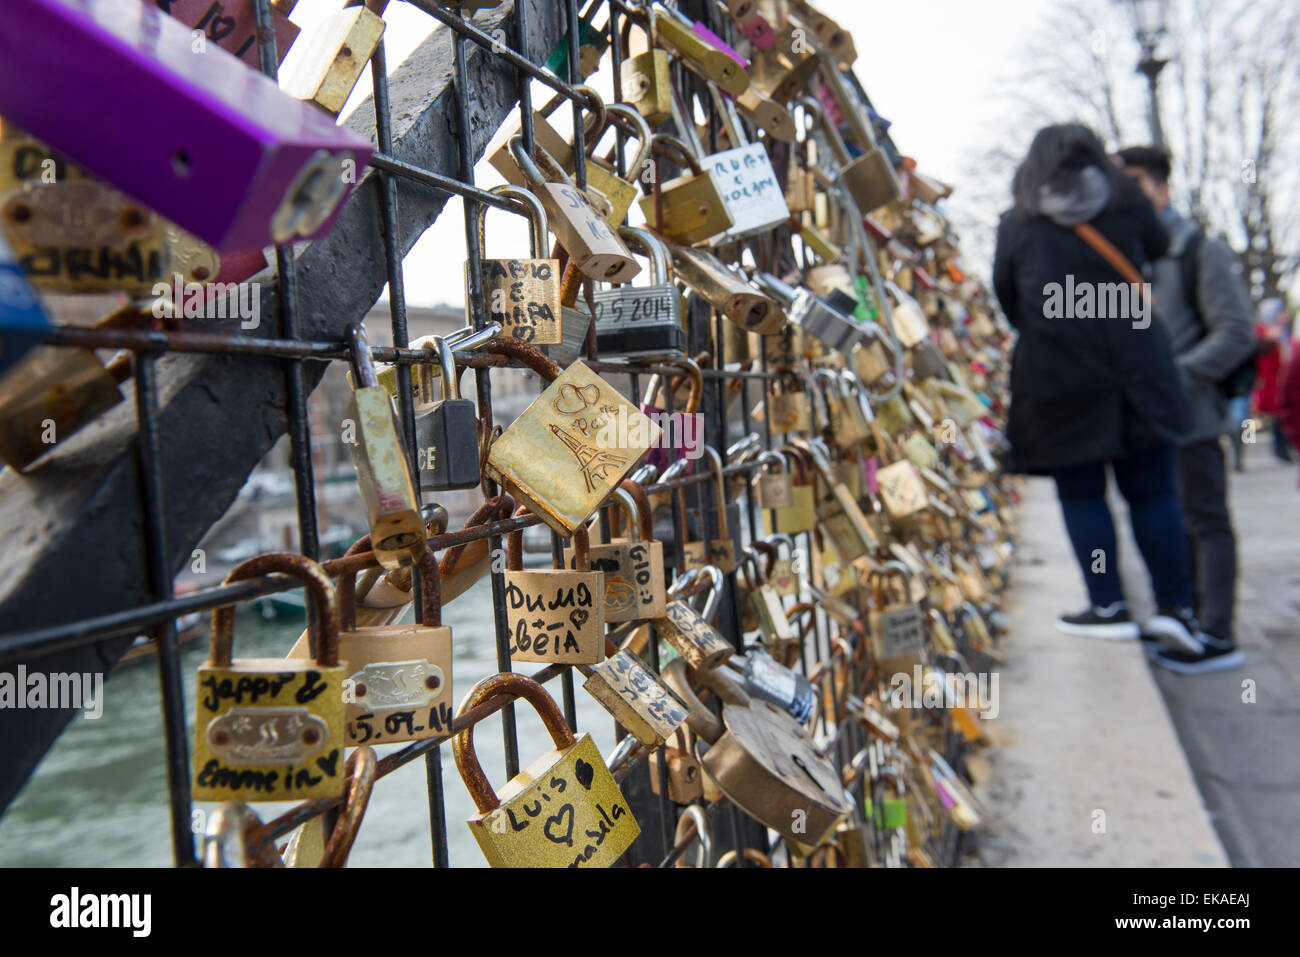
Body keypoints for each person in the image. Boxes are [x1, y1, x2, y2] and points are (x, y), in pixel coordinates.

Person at [993, 124, 1202, 653]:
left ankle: (1108, 605)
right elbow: (1157, 251)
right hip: (1137, 369)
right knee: (1153, 492)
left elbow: (1010, 299)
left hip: (1059, 375)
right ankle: (1175, 609)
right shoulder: (1127, 206)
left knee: (1082, 494)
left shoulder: (1017, 223)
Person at [1116, 146, 1254, 674]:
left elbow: (1236, 332)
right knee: (1171, 521)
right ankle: (1187, 624)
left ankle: (1218, 634)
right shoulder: (1131, 257)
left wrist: (1173, 378)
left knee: (1205, 519)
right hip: (1148, 420)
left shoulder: (1198, 249)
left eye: (1134, 186)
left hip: (1191, 416)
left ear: (1161, 189)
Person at [1253, 298, 1293, 463]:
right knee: (1246, 415)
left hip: (1277, 380)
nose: (1285, 315)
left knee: (1278, 415)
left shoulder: (1282, 333)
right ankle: (1245, 446)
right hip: (1262, 380)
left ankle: (1281, 449)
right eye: (1281, 312)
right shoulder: (1260, 331)